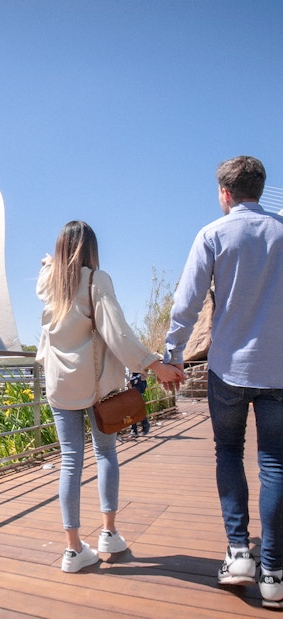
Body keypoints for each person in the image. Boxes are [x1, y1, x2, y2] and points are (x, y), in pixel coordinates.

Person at [163, 156, 283, 609]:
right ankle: (273, 571)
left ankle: (239, 554)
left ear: (225, 193)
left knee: (229, 452)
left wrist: (172, 356)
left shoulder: (213, 234)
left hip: (229, 368)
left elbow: (186, 302)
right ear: (261, 189)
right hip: (280, 370)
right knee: (275, 463)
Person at [36, 220, 184, 573]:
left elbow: (49, 273)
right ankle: (108, 533)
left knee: (71, 461)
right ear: (90, 249)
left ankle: (72, 550)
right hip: (94, 385)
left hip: (59, 386)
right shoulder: (96, 281)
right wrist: (153, 364)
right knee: (104, 452)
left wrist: (49, 265)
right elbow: (117, 332)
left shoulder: (48, 283)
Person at [128, 373, 151, 437]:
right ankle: (135, 429)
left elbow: (142, 375)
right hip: (129, 389)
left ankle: (143, 425)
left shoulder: (138, 365)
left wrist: (131, 380)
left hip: (137, 389)